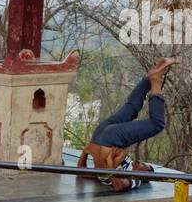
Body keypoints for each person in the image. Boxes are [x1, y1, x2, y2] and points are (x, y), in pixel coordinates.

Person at [76, 58, 177, 192]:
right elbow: (84, 174)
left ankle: (155, 81)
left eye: (145, 166)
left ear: (143, 174)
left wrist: (86, 152)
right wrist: (94, 152)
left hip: (107, 139)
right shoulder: (124, 167)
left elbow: (118, 186)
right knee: (131, 108)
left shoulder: (134, 179)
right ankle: (152, 76)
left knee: (157, 123)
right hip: (101, 136)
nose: (141, 163)